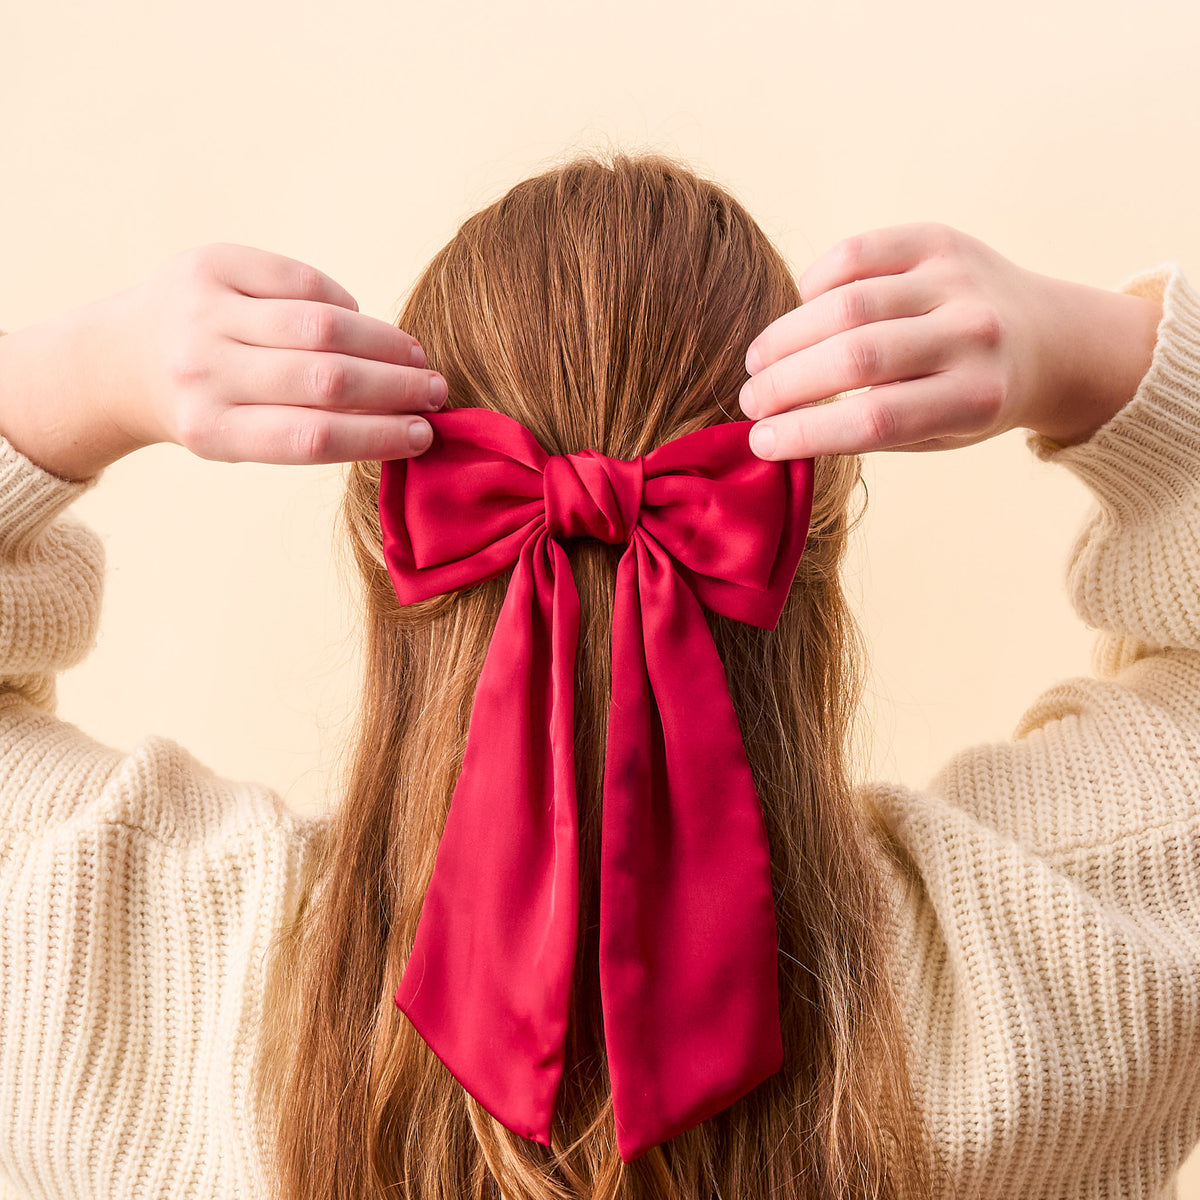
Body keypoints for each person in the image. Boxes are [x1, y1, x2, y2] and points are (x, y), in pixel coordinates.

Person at [0, 150, 1193, 1200]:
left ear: (389, 531)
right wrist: (1094, 358)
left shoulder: (110, 964)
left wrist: (82, 380)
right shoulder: (1060, 959)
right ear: (806, 534)